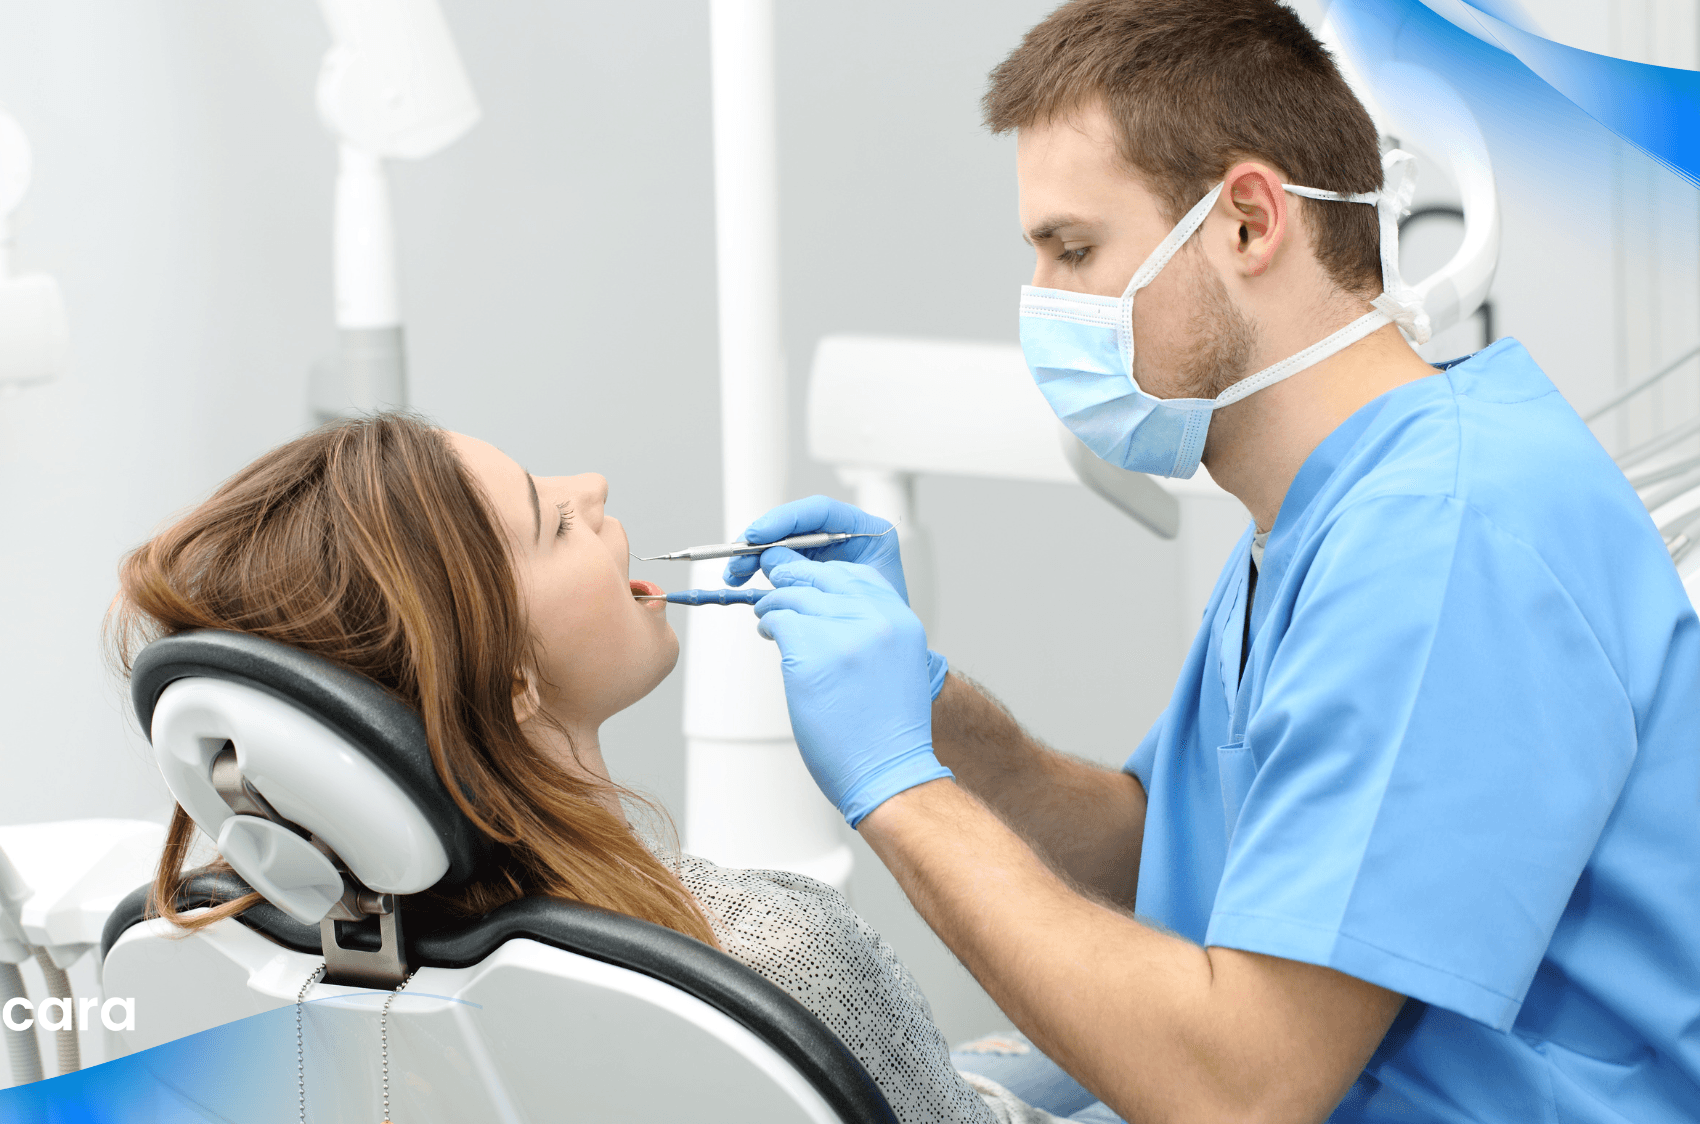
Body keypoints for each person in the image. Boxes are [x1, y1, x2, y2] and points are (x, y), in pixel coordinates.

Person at [725, 1, 1700, 1121]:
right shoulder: (1321, 513)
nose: (1043, 306)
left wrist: (897, 787)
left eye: (1075, 250)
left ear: (1245, 222)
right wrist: (929, 706)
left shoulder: (1439, 540)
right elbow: (1167, 847)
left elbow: (1240, 1087)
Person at [107, 412, 1047, 1124]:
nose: (593, 485)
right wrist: (902, 769)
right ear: (511, 677)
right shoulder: (768, 954)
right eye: (554, 522)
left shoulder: (267, 956)